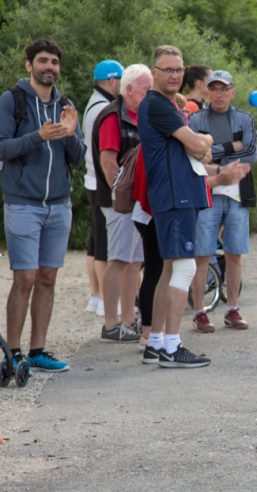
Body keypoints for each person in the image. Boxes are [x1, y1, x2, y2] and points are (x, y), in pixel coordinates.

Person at [0, 39, 86, 371]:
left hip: (59, 205)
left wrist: (69, 133)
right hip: (23, 204)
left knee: (48, 278)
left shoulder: (65, 103)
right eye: (43, 61)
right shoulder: (12, 100)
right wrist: (39, 136)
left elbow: (78, 159)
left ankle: (38, 350)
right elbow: (3, 148)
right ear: (29, 65)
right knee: (25, 278)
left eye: (54, 62)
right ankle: (13, 353)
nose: (49, 67)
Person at [138, 45, 214, 368]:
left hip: (173, 194)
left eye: (179, 69)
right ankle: (172, 346)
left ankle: (155, 342)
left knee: (169, 268)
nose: (174, 75)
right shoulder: (158, 104)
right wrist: (205, 140)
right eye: (168, 69)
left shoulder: (165, 104)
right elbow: (198, 146)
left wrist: (200, 145)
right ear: (153, 73)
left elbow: (199, 151)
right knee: (184, 267)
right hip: (175, 195)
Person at [188, 70, 256, 332]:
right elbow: (194, 155)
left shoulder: (244, 118)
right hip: (207, 193)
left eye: (223, 89)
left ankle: (232, 309)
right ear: (206, 91)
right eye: (213, 89)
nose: (218, 94)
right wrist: (230, 151)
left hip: (238, 195)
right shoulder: (195, 119)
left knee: (235, 253)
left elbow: (250, 153)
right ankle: (199, 312)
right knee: (202, 254)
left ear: (232, 92)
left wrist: (214, 153)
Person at [91, 64, 154, 343]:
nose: (150, 95)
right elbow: (107, 162)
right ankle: (111, 322)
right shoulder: (112, 117)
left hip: (141, 201)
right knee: (117, 259)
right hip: (120, 201)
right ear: (128, 90)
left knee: (135, 261)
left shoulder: (144, 115)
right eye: (146, 90)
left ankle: (129, 319)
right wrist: (122, 197)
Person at [83, 59, 123, 316]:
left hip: (91, 180)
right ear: (111, 81)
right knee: (105, 247)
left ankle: (96, 297)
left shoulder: (92, 103)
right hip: (100, 182)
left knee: (96, 242)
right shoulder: (105, 109)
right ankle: (105, 300)